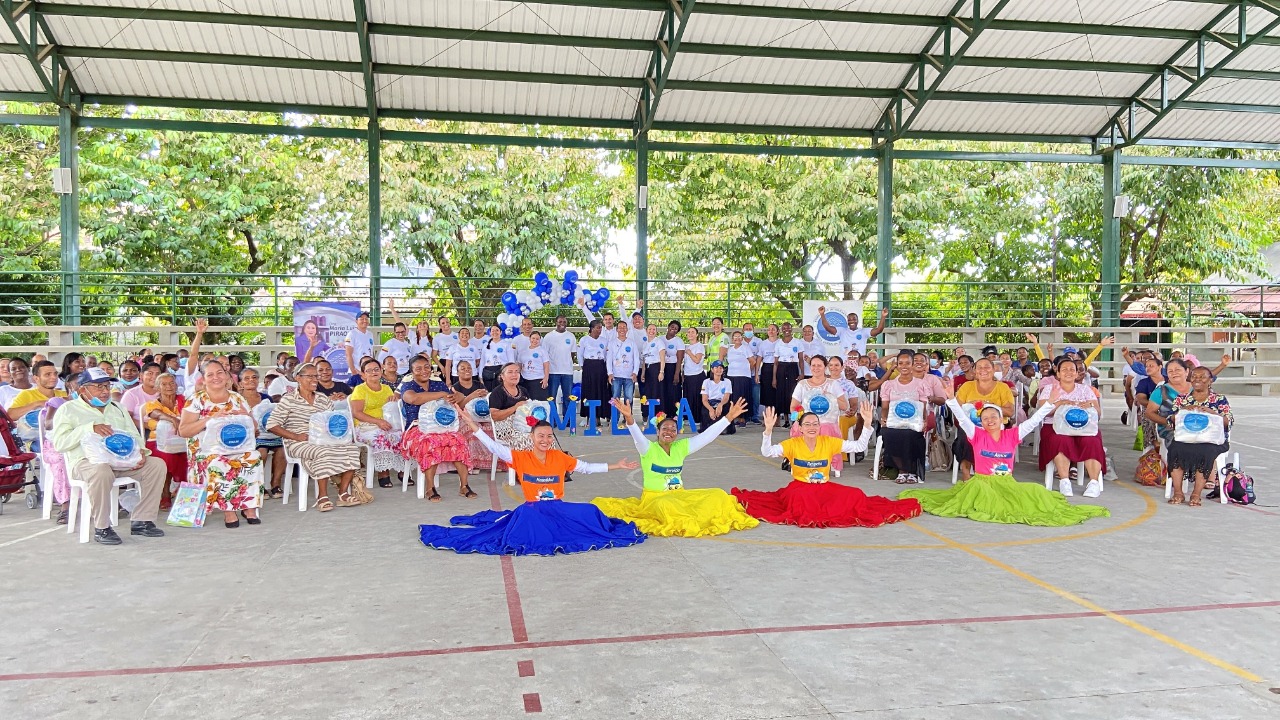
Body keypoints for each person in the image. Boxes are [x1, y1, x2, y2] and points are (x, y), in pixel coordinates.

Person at [419, 417, 641, 556]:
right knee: (525, 523)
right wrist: (473, 426)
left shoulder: (559, 457)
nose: (545, 439)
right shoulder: (520, 457)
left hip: (557, 508)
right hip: (533, 510)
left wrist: (616, 465)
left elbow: (586, 467)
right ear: (532, 437)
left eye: (548, 436)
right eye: (540, 436)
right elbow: (494, 447)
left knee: (591, 511)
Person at [900, 380, 1110, 526]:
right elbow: (963, 419)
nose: (990, 420)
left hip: (1007, 484)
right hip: (982, 483)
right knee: (982, 500)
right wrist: (952, 399)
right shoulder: (977, 434)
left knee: (1035, 494)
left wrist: (1051, 403)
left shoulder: (1012, 435)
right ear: (981, 422)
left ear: (1002, 419)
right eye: (985, 418)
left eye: (994, 416)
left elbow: (1034, 421)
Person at [592, 398, 759, 537]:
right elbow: (637, 436)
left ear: (677, 433)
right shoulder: (647, 448)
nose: (669, 431)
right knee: (666, 505)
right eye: (665, 428)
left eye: (673, 429)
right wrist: (629, 418)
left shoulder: (681, 447)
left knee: (718, 494)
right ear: (658, 432)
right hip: (655, 499)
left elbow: (707, 437)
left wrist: (728, 417)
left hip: (679, 496)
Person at [733, 406, 921, 527]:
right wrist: (767, 431)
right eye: (807, 424)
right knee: (803, 504)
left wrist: (866, 424)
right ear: (800, 427)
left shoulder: (829, 442)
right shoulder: (792, 443)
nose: (812, 427)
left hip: (824, 487)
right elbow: (767, 452)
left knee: (855, 495)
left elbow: (859, 446)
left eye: (815, 423)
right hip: (800, 488)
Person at [51, 368, 168, 545]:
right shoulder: (68, 410)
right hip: (86, 464)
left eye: (107, 386)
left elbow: (134, 435)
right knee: (101, 471)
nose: (105, 391)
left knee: (156, 465)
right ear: (83, 390)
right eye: (99, 387)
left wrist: (141, 452)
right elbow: (60, 444)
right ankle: (102, 528)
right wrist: (89, 428)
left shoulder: (117, 408)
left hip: (121, 461)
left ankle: (142, 520)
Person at [265, 363, 366, 511]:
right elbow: (271, 425)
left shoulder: (322, 399)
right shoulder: (289, 399)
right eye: (310, 376)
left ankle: (343, 494)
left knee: (352, 449)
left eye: (316, 376)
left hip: (325, 439)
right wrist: (295, 436)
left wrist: (340, 435)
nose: (314, 380)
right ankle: (322, 496)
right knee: (322, 452)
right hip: (298, 441)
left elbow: (332, 421)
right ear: (298, 378)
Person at [178, 360, 265, 528]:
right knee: (219, 462)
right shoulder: (196, 400)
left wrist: (246, 417)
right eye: (210, 374)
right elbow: (184, 431)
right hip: (205, 451)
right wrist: (210, 418)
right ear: (203, 379)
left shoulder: (237, 398)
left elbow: (254, 429)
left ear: (227, 376)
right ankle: (229, 510)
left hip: (237, 447)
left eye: (219, 373)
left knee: (254, 457)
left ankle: (249, 506)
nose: (215, 377)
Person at [399, 355, 471, 501]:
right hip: (417, 428)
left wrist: (456, 397)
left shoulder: (438, 384)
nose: (424, 371)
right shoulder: (408, 386)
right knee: (430, 442)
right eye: (418, 368)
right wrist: (443, 394)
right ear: (411, 371)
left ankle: (464, 486)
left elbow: (458, 400)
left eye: (427, 367)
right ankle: (430, 488)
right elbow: (413, 399)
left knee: (459, 440)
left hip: (442, 426)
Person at [1037, 357, 1106, 498]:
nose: (1068, 372)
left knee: (1092, 441)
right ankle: (1064, 480)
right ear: (1057, 373)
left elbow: (1098, 413)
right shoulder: (1049, 389)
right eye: (1064, 369)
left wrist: (1090, 406)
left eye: (1072, 370)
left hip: (1084, 427)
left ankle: (1093, 483)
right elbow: (1042, 412)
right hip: (1054, 426)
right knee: (1060, 440)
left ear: (1077, 373)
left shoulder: (1086, 390)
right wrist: (1060, 403)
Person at [1164, 366, 1233, 506]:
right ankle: (1178, 493)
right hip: (1187, 438)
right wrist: (1182, 412)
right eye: (1194, 376)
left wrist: (1211, 413)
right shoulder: (1182, 399)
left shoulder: (1219, 399)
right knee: (1174, 449)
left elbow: (1228, 422)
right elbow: (1170, 420)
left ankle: (1196, 494)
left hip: (1211, 441)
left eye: (1202, 377)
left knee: (1205, 452)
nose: (1197, 379)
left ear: (1210, 381)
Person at [879, 349, 944, 484]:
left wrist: (925, 420)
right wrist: (883, 418)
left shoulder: (921, 384)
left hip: (914, 421)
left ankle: (912, 471)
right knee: (889, 433)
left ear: (912, 364)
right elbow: (885, 407)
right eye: (900, 363)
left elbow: (923, 406)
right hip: (894, 421)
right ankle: (902, 470)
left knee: (911, 434)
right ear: (896, 365)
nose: (904, 366)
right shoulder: (888, 385)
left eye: (907, 363)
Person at [953, 358, 1016, 482]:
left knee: (989, 438)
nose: (983, 370)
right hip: (971, 426)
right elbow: (956, 410)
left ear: (993, 370)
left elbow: (1010, 412)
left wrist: (990, 407)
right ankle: (966, 475)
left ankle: (986, 474)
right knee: (965, 437)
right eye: (979, 367)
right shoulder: (967, 386)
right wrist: (969, 406)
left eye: (987, 367)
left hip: (995, 427)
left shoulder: (1002, 387)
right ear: (975, 371)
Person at [790, 354, 849, 474]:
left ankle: (822, 464)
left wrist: (830, 397)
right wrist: (800, 416)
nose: (816, 368)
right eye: (813, 365)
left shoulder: (833, 384)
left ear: (825, 367)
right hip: (807, 421)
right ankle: (803, 462)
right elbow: (793, 407)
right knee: (799, 427)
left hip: (827, 422)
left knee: (825, 429)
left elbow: (845, 406)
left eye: (819, 365)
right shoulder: (802, 384)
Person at [350, 357, 403, 489]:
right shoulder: (360, 389)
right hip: (365, 426)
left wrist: (393, 401)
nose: (373, 372)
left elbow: (391, 409)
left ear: (381, 371)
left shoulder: (386, 388)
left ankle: (403, 471)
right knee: (381, 436)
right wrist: (378, 422)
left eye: (376, 369)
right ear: (363, 375)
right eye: (369, 370)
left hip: (385, 423)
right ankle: (383, 473)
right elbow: (357, 413)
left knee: (402, 435)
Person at [141, 373, 188, 510]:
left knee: (192, 454)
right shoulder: (153, 404)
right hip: (157, 442)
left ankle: (184, 491)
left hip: (182, 441)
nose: (169, 386)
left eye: (172, 383)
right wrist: (173, 419)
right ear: (157, 387)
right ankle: (165, 494)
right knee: (166, 455)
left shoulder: (184, 401)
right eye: (164, 384)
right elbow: (156, 414)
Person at [239, 368, 285, 499]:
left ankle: (275, 484)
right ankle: (259, 485)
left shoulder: (266, 397)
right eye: (246, 378)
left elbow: (272, 416)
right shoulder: (237, 399)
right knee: (262, 451)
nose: (251, 380)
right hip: (249, 436)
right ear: (241, 383)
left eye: (254, 377)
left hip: (269, 433)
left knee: (282, 449)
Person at [489, 362, 545, 454]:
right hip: (505, 429)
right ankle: (526, 466)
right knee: (528, 440)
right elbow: (494, 415)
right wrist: (515, 407)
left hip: (524, 425)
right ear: (502, 376)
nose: (514, 375)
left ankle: (545, 466)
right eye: (510, 372)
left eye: (517, 372)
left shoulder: (523, 390)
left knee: (545, 438)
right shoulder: (497, 392)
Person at [451, 359, 491, 470]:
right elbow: (457, 408)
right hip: (463, 417)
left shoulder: (480, 385)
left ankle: (491, 463)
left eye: (469, 368)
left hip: (481, 415)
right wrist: (470, 396)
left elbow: (486, 402)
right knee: (473, 428)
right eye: (462, 369)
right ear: (457, 372)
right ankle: (473, 463)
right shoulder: (454, 388)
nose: (466, 370)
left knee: (491, 427)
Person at [543, 313, 578, 417]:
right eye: (560, 322)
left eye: (564, 322)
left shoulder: (571, 336)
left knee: (568, 397)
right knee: (551, 397)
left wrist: (566, 364)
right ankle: (553, 420)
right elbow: (544, 355)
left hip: (567, 372)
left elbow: (572, 354)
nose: (562, 324)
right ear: (556, 323)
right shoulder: (549, 336)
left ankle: (567, 422)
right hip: (553, 372)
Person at [8, 360, 66, 424]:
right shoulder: (26, 394)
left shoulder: (64, 395)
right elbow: (10, 415)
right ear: (36, 378)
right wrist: (37, 404)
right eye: (48, 374)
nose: (54, 377)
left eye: (55, 374)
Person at [818, 306, 888, 357]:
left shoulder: (864, 331)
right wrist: (822, 314)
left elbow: (879, 330)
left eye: (854, 319)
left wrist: (883, 317)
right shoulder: (842, 331)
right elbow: (828, 328)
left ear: (857, 321)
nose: (852, 321)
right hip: (845, 365)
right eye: (849, 320)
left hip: (859, 364)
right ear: (847, 322)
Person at [577, 320, 611, 425]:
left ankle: (598, 417)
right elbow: (579, 355)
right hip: (588, 367)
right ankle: (588, 416)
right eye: (597, 327)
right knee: (588, 391)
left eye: (601, 327)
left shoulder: (604, 341)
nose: (599, 330)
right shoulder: (584, 340)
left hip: (600, 367)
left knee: (600, 391)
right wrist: (584, 366)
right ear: (591, 328)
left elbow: (607, 356)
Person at [606, 322, 640, 422]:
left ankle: (628, 418)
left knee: (628, 398)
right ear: (616, 330)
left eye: (624, 327)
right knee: (615, 397)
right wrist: (610, 373)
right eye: (620, 327)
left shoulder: (632, 343)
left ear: (627, 330)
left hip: (629, 376)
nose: (622, 329)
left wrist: (635, 372)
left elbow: (636, 359)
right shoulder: (612, 343)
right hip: (616, 375)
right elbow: (609, 359)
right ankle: (615, 419)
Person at [772, 324, 804, 427]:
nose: (786, 330)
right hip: (781, 368)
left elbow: (800, 359)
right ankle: (786, 420)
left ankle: (794, 420)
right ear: (781, 330)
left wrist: (802, 373)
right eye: (784, 328)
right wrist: (774, 378)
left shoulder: (797, 342)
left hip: (792, 367)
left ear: (791, 330)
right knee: (782, 394)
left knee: (792, 394)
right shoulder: (778, 344)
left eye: (788, 328)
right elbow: (776, 362)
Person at [723, 331, 756, 430]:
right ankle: (734, 418)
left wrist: (746, 370)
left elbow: (753, 361)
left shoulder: (746, 348)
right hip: (731, 376)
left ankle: (743, 419)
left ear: (742, 338)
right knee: (732, 398)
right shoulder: (730, 350)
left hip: (743, 377)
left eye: (739, 336)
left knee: (741, 398)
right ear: (732, 339)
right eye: (735, 337)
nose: (737, 338)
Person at [657, 321, 685, 418]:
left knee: (673, 391)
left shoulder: (679, 341)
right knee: (662, 391)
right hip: (662, 367)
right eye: (672, 326)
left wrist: (677, 373)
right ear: (668, 327)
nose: (673, 329)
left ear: (677, 331)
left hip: (673, 368)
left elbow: (679, 359)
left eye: (676, 328)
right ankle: (662, 413)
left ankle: (674, 414)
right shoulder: (660, 339)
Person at [681, 327, 707, 428]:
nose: (690, 334)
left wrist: (689, 353)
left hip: (697, 375)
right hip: (688, 375)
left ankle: (697, 418)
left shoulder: (699, 346)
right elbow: (686, 363)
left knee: (696, 398)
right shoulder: (687, 346)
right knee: (688, 397)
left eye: (693, 332)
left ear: (696, 334)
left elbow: (697, 360)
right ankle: (689, 417)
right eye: (689, 332)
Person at [343, 311, 377, 382]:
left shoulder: (370, 334)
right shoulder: (352, 334)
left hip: (368, 372)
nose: (364, 321)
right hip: (356, 372)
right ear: (356, 321)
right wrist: (354, 372)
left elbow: (371, 352)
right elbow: (348, 354)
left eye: (366, 319)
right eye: (361, 319)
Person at [700, 361, 734, 434]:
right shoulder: (706, 382)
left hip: (722, 402)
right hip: (710, 403)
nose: (719, 370)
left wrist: (720, 405)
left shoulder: (727, 381)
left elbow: (726, 397)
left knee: (727, 410)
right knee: (705, 411)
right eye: (716, 368)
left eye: (721, 368)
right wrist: (711, 409)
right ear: (712, 370)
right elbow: (704, 399)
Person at [640, 323, 663, 422]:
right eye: (650, 329)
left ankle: (658, 415)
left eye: (654, 329)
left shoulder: (659, 342)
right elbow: (644, 360)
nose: (651, 331)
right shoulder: (645, 344)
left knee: (657, 391)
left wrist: (661, 371)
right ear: (646, 330)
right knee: (648, 392)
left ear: (656, 331)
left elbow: (662, 358)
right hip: (648, 370)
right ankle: (649, 414)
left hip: (656, 367)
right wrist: (643, 373)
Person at [757, 323, 780, 422]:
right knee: (767, 394)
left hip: (779, 368)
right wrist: (757, 372)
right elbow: (759, 358)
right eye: (769, 329)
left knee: (778, 393)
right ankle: (768, 419)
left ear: (778, 331)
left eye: (773, 329)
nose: (771, 331)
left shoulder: (781, 342)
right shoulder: (763, 343)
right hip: (766, 368)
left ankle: (777, 418)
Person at [519, 331, 551, 401]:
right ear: (529, 339)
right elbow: (519, 365)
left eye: (537, 339)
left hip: (538, 380)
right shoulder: (523, 351)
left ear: (540, 340)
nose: (535, 340)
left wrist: (546, 379)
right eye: (533, 338)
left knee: (538, 403)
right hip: (525, 380)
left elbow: (546, 365)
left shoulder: (542, 351)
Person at [481, 324, 510, 391]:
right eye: (492, 330)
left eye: (497, 330)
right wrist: (480, 376)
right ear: (490, 332)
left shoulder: (506, 344)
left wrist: (509, 373)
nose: (495, 332)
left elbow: (511, 361)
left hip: (501, 371)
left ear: (501, 332)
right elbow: (482, 361)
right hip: (488, 373)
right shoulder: (486, 345)